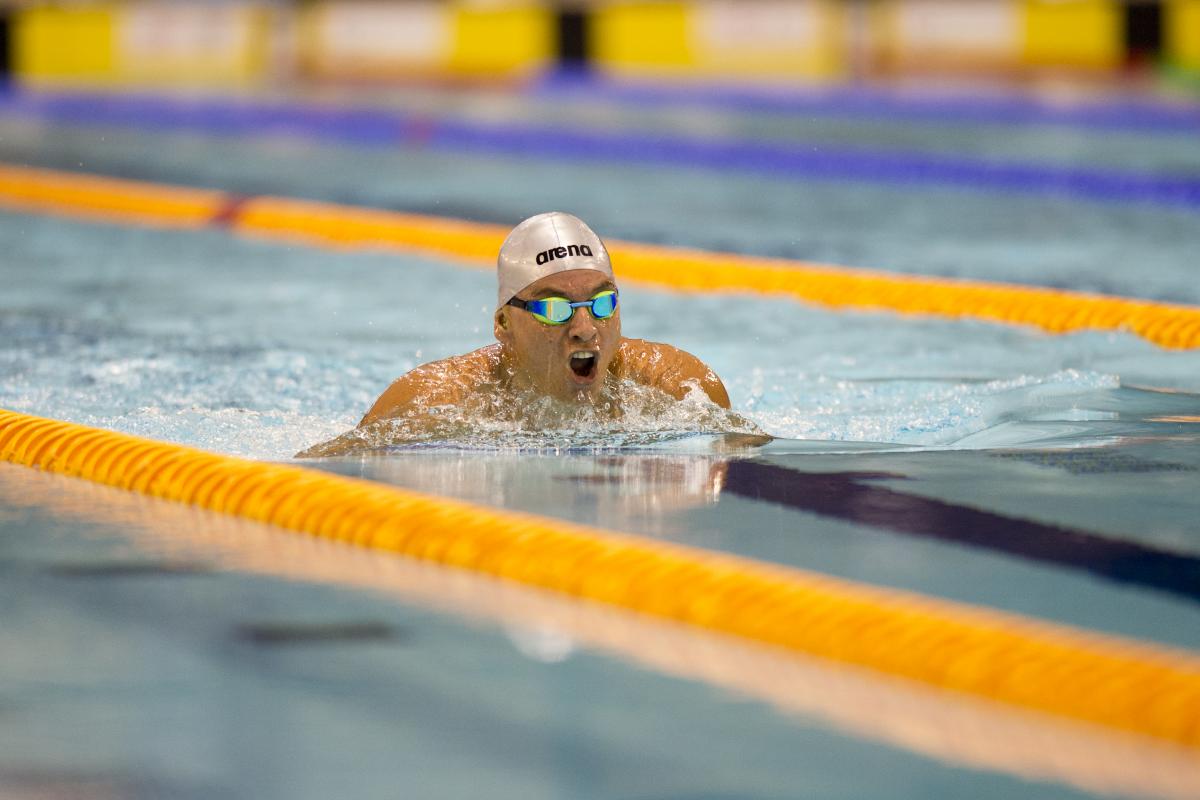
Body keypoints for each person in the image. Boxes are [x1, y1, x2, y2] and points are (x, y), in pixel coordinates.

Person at [359, 211, 731, 426]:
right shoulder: (435, 402)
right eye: (555, 309)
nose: (585, 330)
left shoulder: (679, 389)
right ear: (504, 324)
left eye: (601, 304)